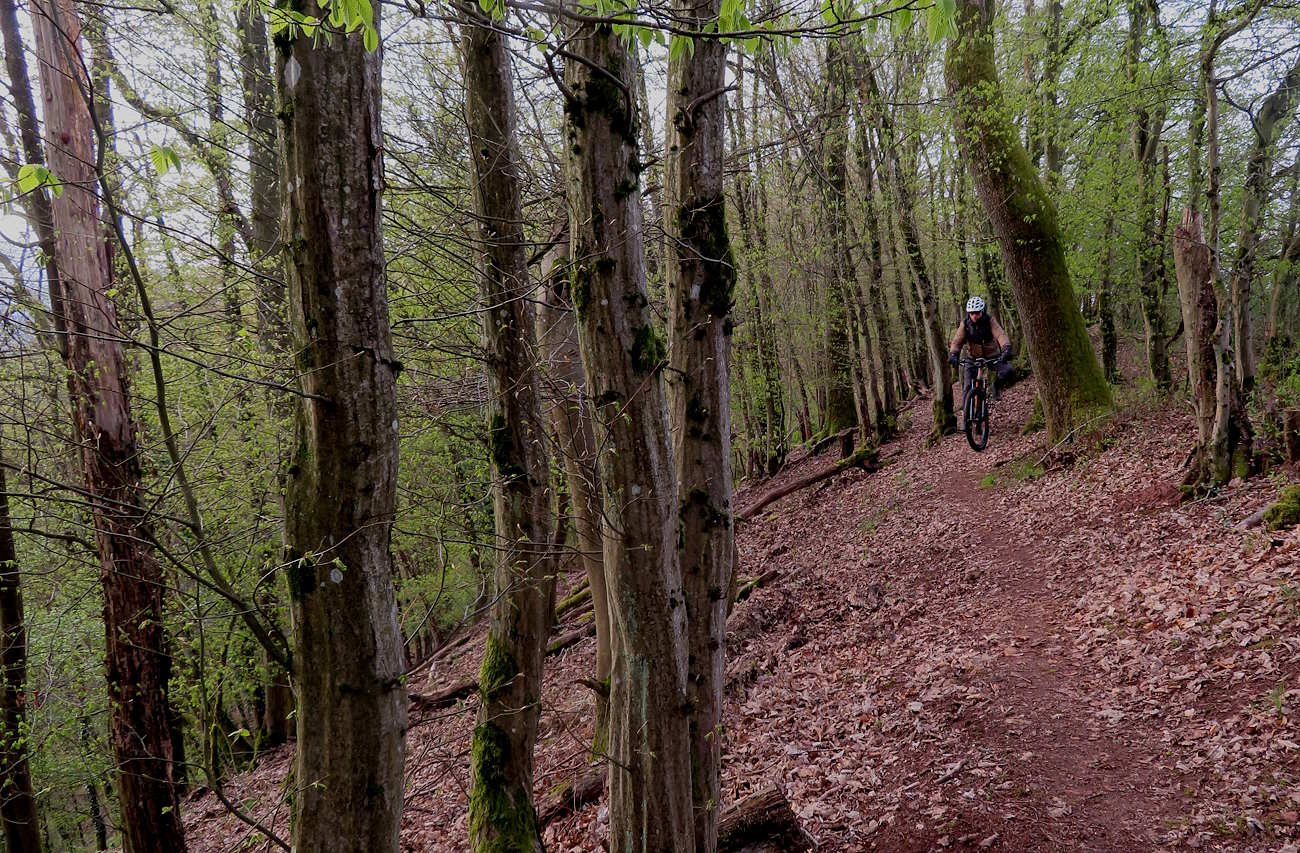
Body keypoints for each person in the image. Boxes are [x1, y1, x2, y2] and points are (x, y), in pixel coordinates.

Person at [947, 296, 1014, 402]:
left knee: (1008, 371)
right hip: (972, 357)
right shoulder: (965, 324)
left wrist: (1006, 348)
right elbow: (957, 340)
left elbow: (1000, 334)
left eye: (977, 313)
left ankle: (996, 386)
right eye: (971, 313)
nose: (974, 316)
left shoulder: (989, 321)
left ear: (982, 311)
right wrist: (953, 354)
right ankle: (966, 410)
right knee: (967, 387)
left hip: (992, 355)